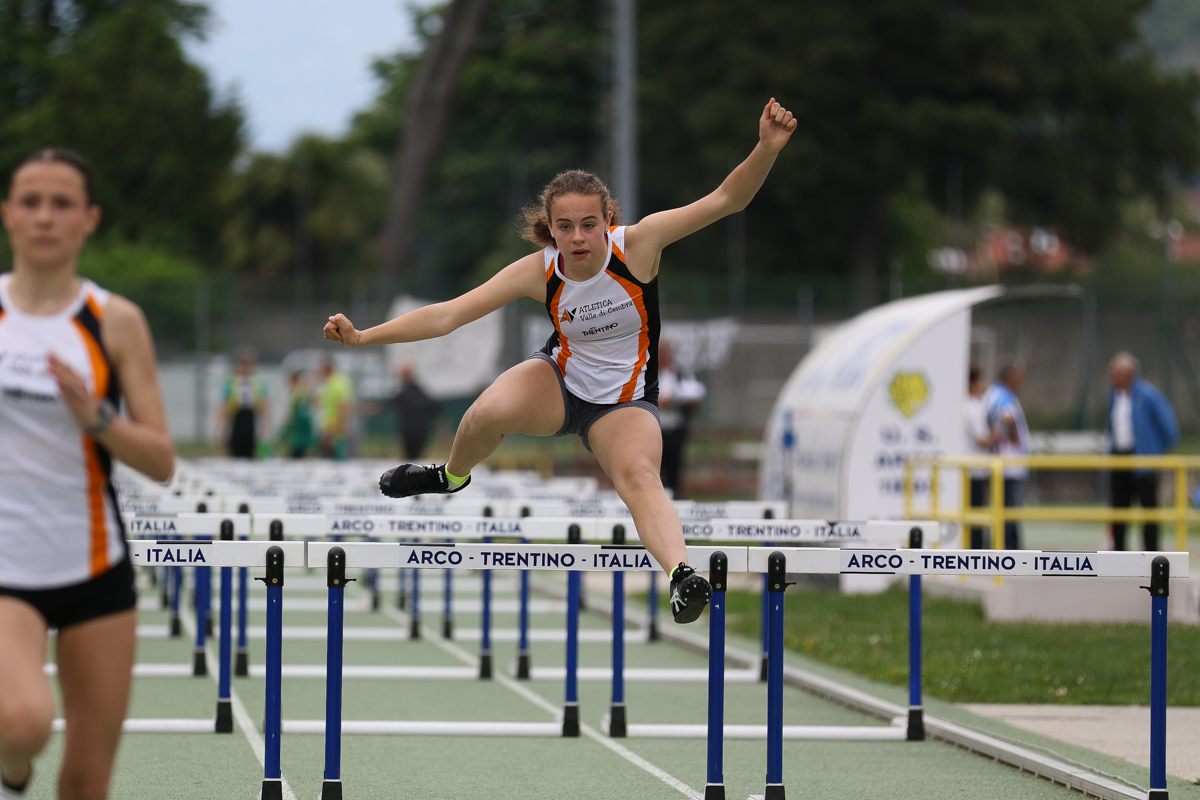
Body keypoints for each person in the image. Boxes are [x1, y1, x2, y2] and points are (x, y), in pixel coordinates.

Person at [324, 98, 797, 624]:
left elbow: (728, 198)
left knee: (639, 476)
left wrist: (766, 147)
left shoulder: (640, 246)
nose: (577, 238)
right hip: (560, 382)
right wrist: (364, 338)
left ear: (608, 221)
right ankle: (451, 476)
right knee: (485, 412)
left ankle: (682, 576)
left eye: (588, 225)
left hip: (623, 402)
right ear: (550, 228)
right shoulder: (540, 271)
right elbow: (448, 315)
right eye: (565, 226)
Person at [0, 149, 175, 800]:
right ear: (8, 215)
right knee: (21, 723)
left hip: (95, 567)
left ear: (89, 219)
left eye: (62, 203)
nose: (45, 217)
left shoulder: (114, 321)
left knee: (85, 784)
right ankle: (11, 770)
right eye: (31, 202)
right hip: (7, 563)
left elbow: (160, 460)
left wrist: (97, 417)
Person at [1107, 352, 1179, 551]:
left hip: (1144, 460)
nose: (1112, 377)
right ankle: (1119, 552)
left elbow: (1168, 427)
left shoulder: (1148, 395)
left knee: (1149, 509)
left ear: (1127, 373)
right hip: (1120, 458)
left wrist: (1155, 452)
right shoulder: (1114, 396)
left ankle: (1152, 553)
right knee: (1119, 508)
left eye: (1115, 373)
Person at [983, 361, 1030, 550]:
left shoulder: (996, 394)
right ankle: (1009, 547)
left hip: (1006, 462)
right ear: (1010, 377)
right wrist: (1013, 436)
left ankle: (1005, 544)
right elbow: (1007, 417)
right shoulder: (1002, 395)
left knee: (1005, 508)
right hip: (1008, 463)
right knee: (1008, 509)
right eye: (1019, 377)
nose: (1021, 382)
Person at [658, 342, 705, 498]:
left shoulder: (681, 374)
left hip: (675, 429)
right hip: (655, 427)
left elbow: (694, 394)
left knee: (674, 466)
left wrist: (673, 400)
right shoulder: (648, 372)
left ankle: (675, 497)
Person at [218, 345, 270, 459]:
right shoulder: (231, 382)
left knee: (250, 455)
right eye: (243, 363)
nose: (245, 367)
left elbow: (264, 406)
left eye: (248, 364)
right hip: (237, 419)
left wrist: (266, 430)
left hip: (250, 419)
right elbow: (225, 407)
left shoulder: (258, 382)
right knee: (235, 454)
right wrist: (222, 430)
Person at [964, 365, 994, 548]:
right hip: (974, 468)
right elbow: (981, 439)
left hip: (969, 467)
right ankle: (976, 549)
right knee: (976, 511)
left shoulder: (968, 405)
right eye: (980, 381)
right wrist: (997, 433)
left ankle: (974, 545)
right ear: (973, 383)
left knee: (972, 511)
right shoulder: (972, 408)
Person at [388, 363, 439, 460]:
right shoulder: (419, 391)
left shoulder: (407, 392)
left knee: (412, 457)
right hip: (418, 431)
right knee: (415, 457)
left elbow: (435, 411)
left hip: (414, 431)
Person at [316, 357, 354, 460]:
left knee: (338, 458)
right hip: (329, 427)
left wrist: (336, 428)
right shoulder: (329, 383)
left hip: (335, 429)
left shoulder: (337, 383)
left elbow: (344, 406)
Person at [277, 370, 315, 458]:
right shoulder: (304, 390)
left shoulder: (297, 392)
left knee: (296, 451)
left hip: (298, 428)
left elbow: (292, 411)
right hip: (304, 426)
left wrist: (284, 422)